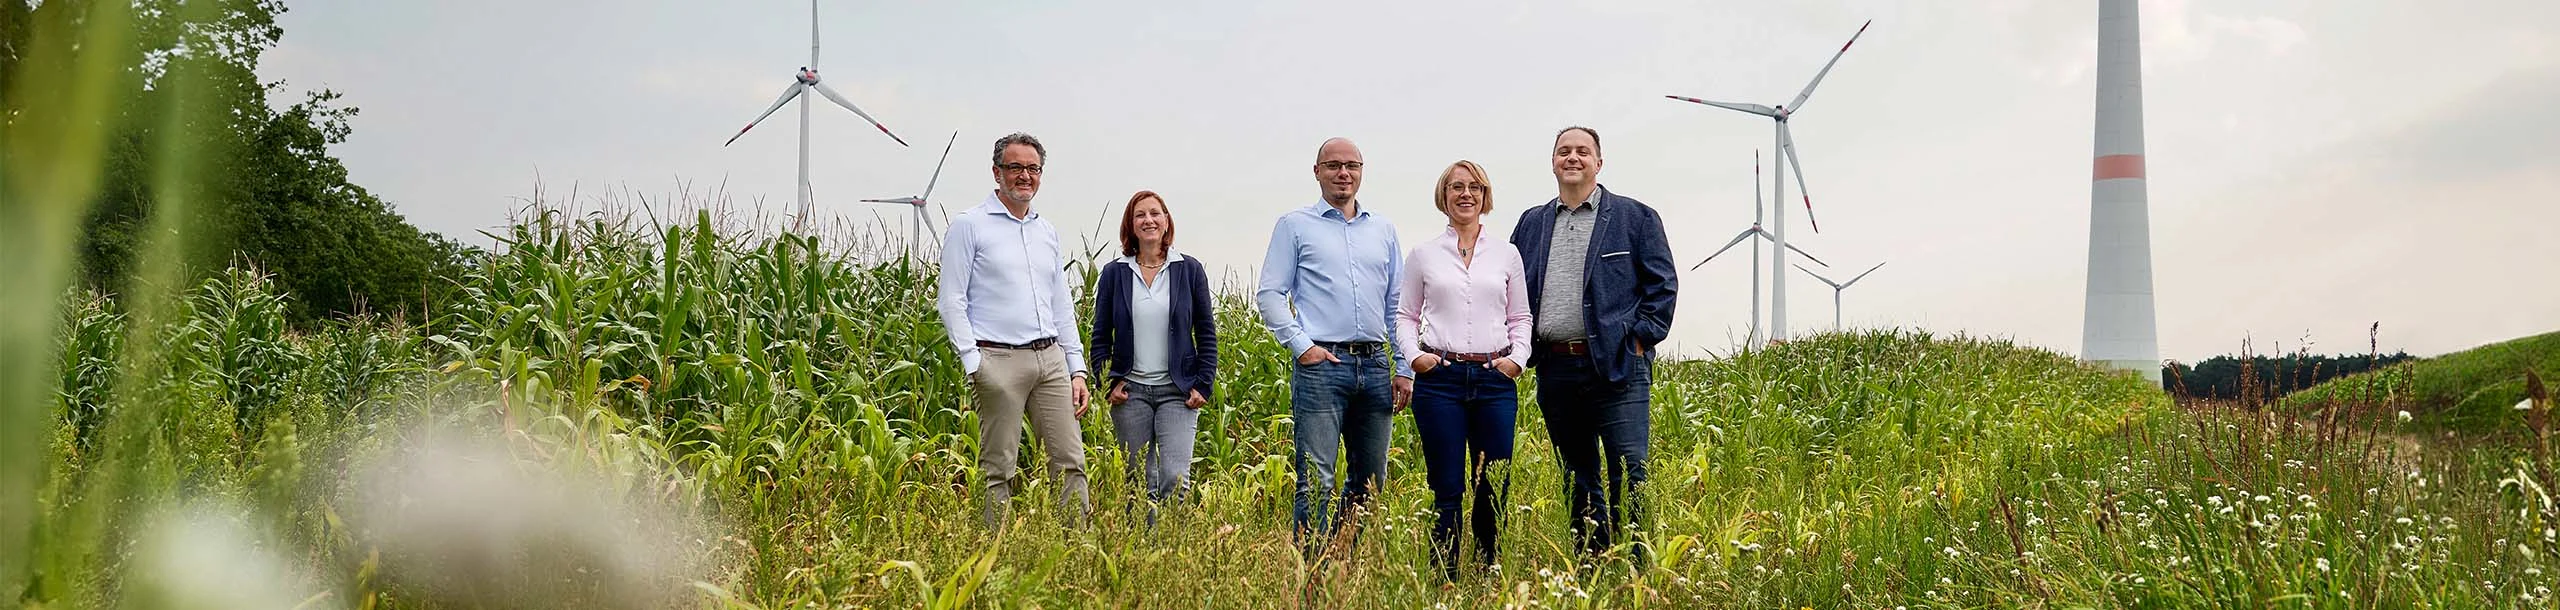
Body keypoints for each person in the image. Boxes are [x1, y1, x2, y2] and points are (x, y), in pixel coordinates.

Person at [1508, 126, 1678, 561]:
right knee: (1577, 477)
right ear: (1552, 162)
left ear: (1598, 162)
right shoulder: (1530, 224)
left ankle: (1641, 572)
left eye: (1583, 151)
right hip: (1556, 369)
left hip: (1618, 367)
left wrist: (1639, 339)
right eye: (1564, 151)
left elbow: (1662, 287)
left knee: (1631, 472)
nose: (1573, 158)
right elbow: (1508, 288)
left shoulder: (1635, 218)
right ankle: (1592, 572)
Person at [1256, 137, 1407, 555]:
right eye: (1334, 165)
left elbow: (1397, 304)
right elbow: (1270, 293)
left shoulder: (1383, 229)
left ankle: (1341, 559)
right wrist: (1302, 346)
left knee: (1370, 478)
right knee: (1317, 478)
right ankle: (1311, 571)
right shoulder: (1295, 225)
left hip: (1376, 366)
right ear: (1317, 171)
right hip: (1322, 364)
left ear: (1362, 171)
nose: (1344, 173)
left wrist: (1405, 368)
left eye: (1352, 165)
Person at [937, 132, 1092, 529]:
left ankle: (1077, 548)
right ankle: (995, 549)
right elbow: (951, 300)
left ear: (1041, 174)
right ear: (997, 172)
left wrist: (1076, 368)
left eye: (1033, 168)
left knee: (1070, 460)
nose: (1025, 176)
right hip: (997, 359)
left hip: (1051, 359)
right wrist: (975, 363)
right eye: (1015, 167)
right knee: (999, 466)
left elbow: (1061, 303)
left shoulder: (1046, 232)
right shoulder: (970, 225)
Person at [1395, 159, 1531, 580]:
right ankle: (1444, 577)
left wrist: (1517, 359)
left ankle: (1488, 569)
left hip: (1494, 380)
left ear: (1485, 195)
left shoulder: (1507, 254)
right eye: (1457, 187)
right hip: (1441, 381)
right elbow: (1405, 315)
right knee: (1448, 486)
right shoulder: (1423, 255)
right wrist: (1414, 356)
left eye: (1474, 186)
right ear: (1444, 196)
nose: (1466, 194)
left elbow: (1521, 317)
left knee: (1493, 482)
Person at [1089, 190, 1218, 527]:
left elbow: (1206, 331)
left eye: (1155, 214)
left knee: (1175, 479)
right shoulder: (1115, 273)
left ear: (1166, 221)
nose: (1148, 220)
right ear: (1130, 226)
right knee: (1136, 481)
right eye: (1140, 215)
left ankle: (1171, 554)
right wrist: (1107, 381)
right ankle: (1140, 554)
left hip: (1178, 391)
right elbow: (1100, 335)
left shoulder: (1188, 270)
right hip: (1130, 392)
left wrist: (1204, 384)